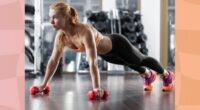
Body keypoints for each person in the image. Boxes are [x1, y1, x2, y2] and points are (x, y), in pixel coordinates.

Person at [36, 2, 174, 97]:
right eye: (50, 17)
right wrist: (44, 84)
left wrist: (96, 88)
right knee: (128, 62)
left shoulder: (84, 31)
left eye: (55, 17)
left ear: (66, 17)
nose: (51, 21)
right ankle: (148, 75)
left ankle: (166, 75)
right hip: (106, 54)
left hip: (117, 44)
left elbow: (92, 61)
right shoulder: (61, 36)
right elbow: (53, 61)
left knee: (139, 59)